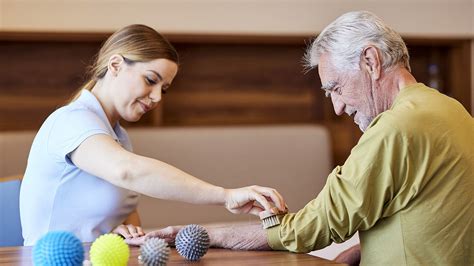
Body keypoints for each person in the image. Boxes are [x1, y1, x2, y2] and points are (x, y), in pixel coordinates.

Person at [137, 11, 474, 265]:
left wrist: (207, 234)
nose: (339, 108)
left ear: (370, 62)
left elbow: (316, 227)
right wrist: (363, 249)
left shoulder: (396, 128)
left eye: (337, 88)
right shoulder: (451, 111)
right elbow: (434, 214)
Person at [19, 24, 286, 246]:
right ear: (115, 65)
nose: (157, 97)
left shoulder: (119, 137)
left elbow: (128, 214)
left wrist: (122, 232)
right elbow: (127, 171)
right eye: (150, 80)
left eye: (165, 88)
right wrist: (225, 196)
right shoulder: (71, 121)